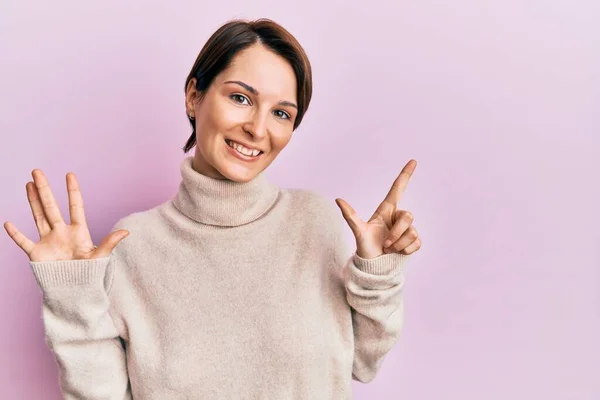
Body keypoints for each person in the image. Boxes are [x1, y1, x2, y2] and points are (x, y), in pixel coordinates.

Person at [4, 18, 421, 400]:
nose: (258, 128)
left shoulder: (316, 224)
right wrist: (73, 297)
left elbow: (364, 364)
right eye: (241, 98)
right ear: (193, 95)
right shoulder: (133, 245)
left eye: (280, 113)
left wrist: (378, 273)